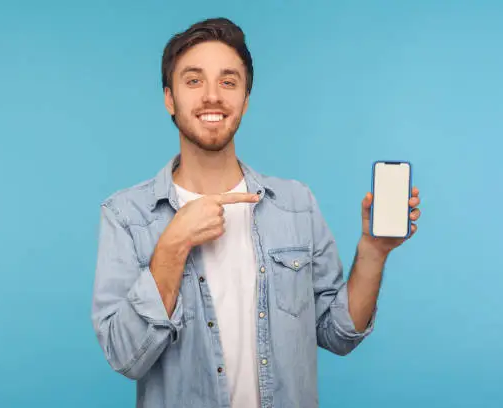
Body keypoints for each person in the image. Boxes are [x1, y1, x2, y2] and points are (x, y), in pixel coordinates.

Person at [91, 17, 421, 408]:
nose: (212, 96)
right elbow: (124, 356)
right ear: (169, 98)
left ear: (245, 101)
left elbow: (339, 335)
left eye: (228, 82)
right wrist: (173, 245)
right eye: (193, 81)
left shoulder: (297, 204)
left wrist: (374, 251)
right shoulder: (126, 215)